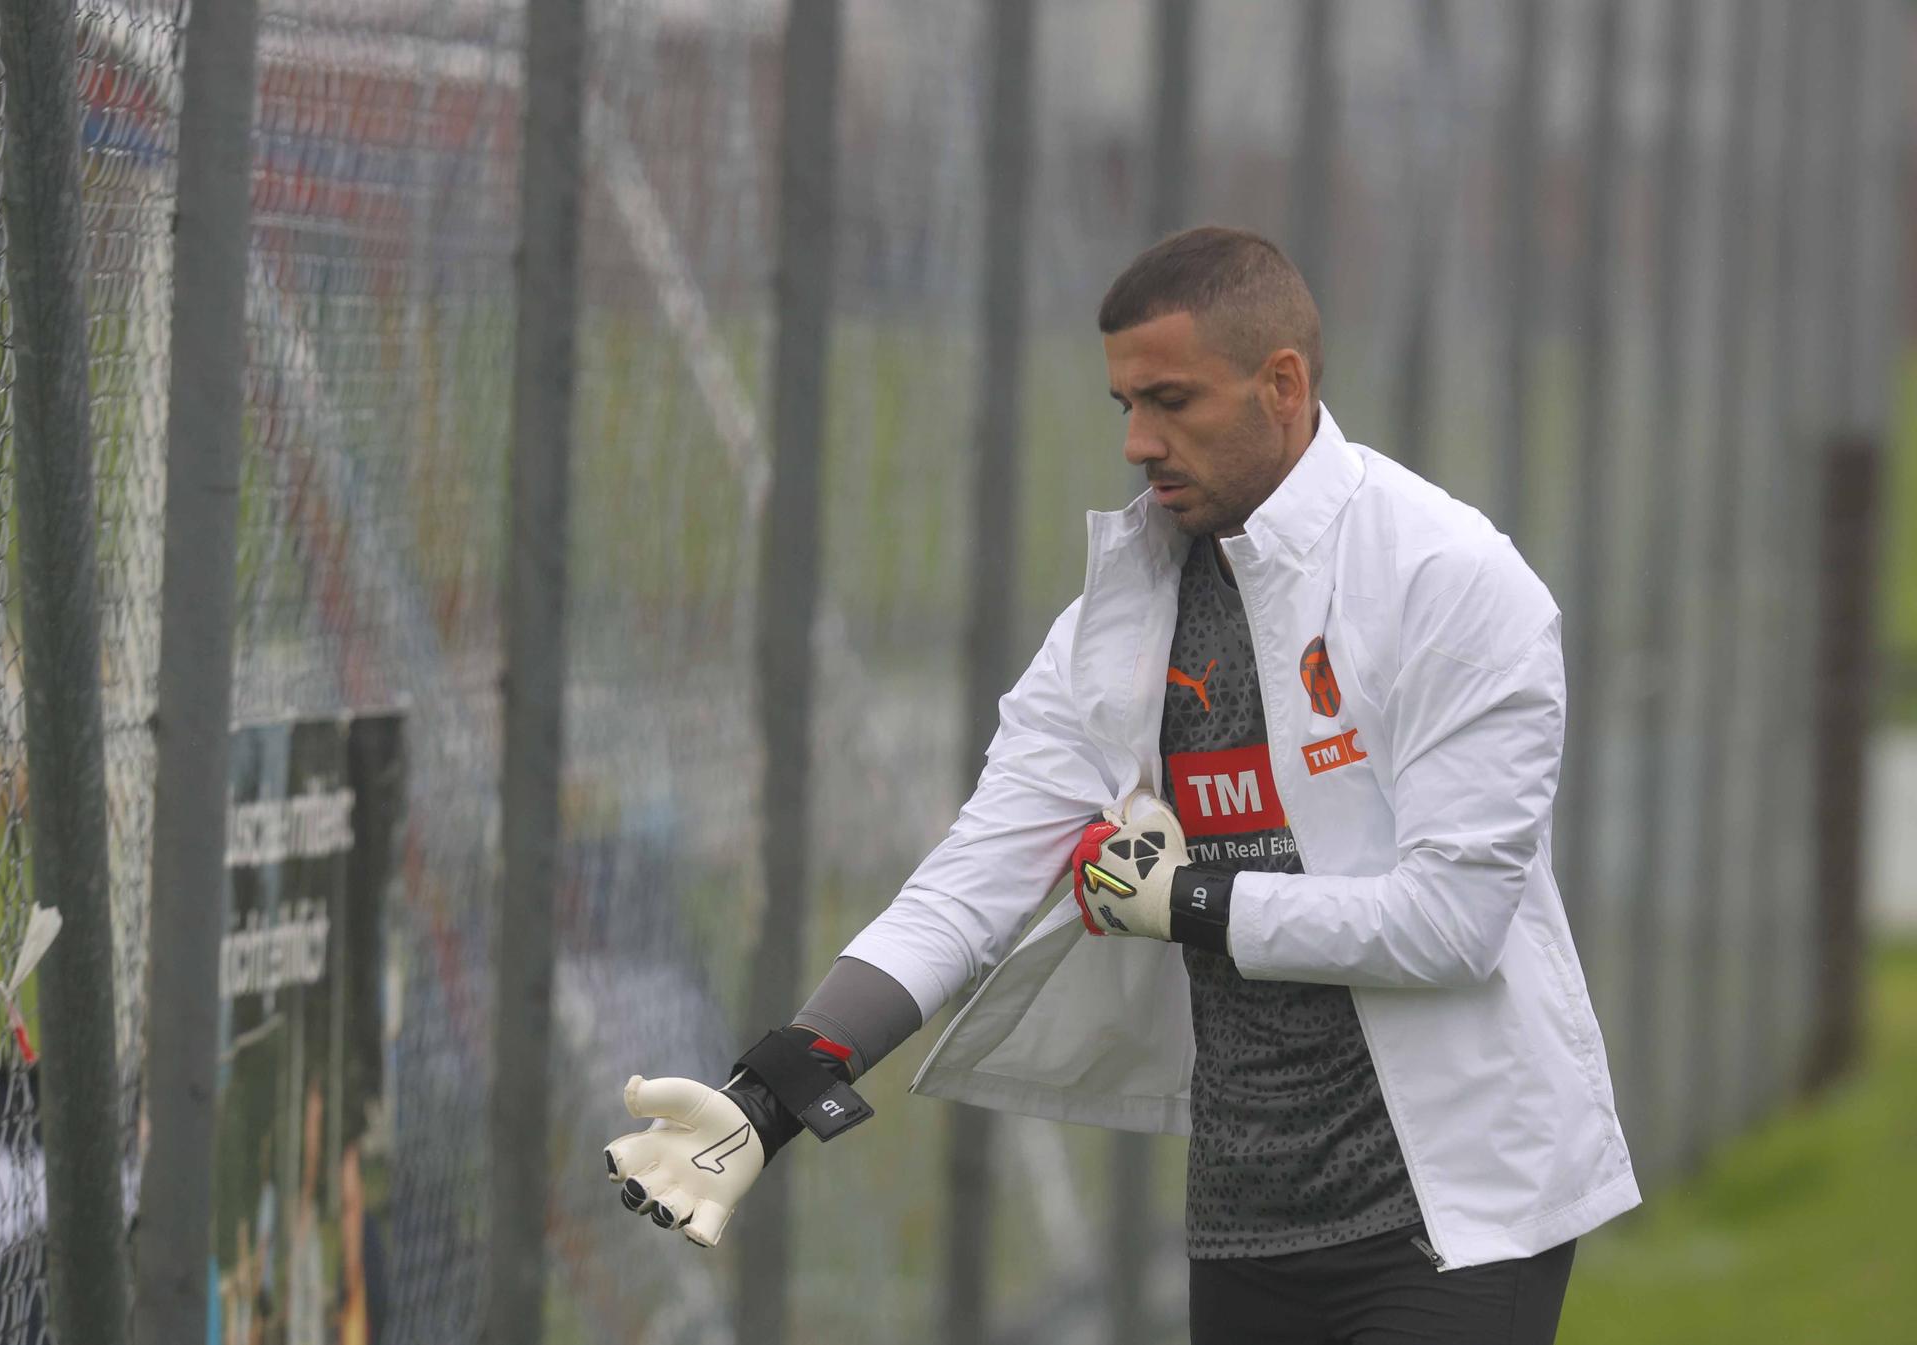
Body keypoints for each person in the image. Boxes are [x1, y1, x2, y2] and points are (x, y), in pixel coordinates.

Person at [605, 226, 1638, 1344]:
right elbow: (971, 880)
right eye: (1125, 405)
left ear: (1281, 384)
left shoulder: (1448, 578)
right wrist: (769, 1097)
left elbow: (1451, 923)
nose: (1139, 441)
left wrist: (1190, 902)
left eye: (1171, 401)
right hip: (1244, 1223)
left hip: (1455, 1219)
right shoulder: (1122, 618)